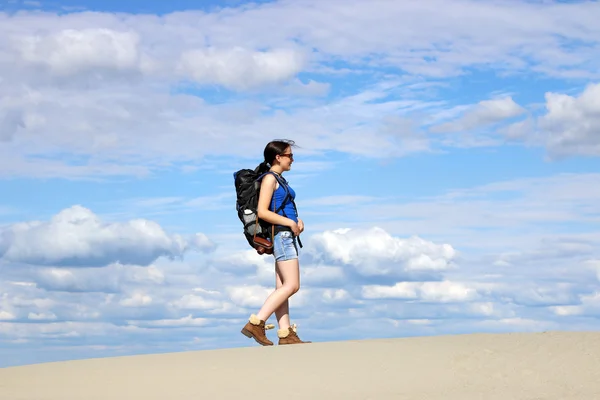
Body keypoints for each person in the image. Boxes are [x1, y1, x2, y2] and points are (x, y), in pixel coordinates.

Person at [240, 139, 311, 345]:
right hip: (282, 236)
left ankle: (285, 333)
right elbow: (262, 212)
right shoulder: (270, 179)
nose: (292, 159)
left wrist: (296, 221)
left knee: (282, 288)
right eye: (289, 155)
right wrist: (289, 222)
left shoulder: (279, 179)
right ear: (277, 157)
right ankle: (257, 322)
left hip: (285, 235)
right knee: (292, 285)